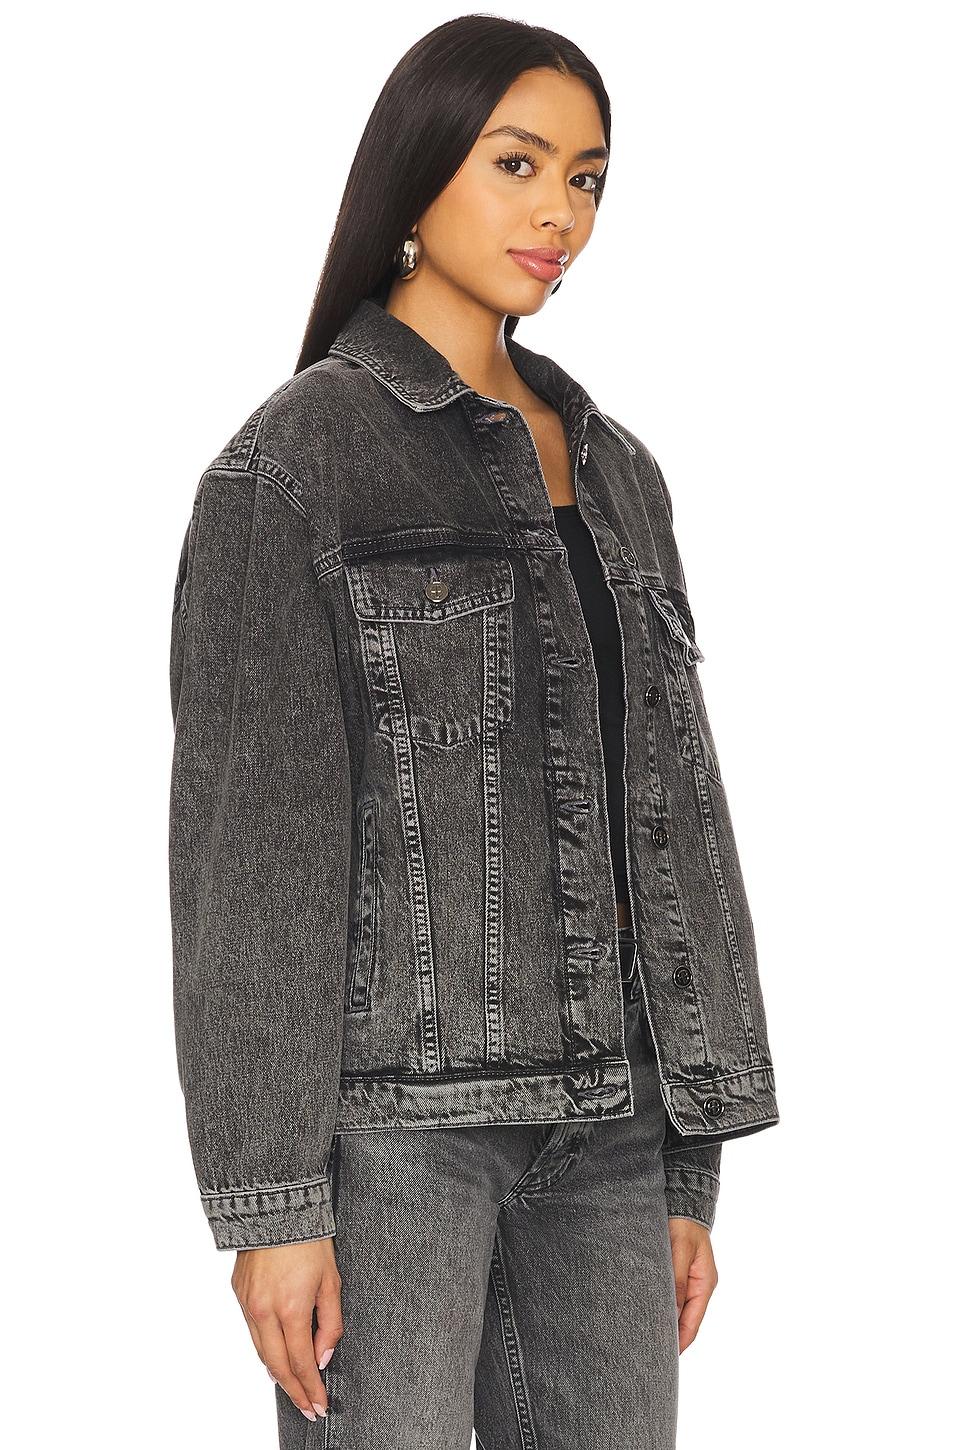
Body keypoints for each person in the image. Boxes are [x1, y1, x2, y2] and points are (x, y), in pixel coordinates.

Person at [168, 16, 780, 1448]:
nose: (559, 211)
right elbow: (254, 857)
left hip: (618, 1123)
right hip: (395, 1140)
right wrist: (272, 1205)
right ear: (418, 171)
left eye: (587, 178)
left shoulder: (621, 473)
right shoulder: (296, 465)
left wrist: (688, 1157)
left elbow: (670, 811)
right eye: (518, 164)